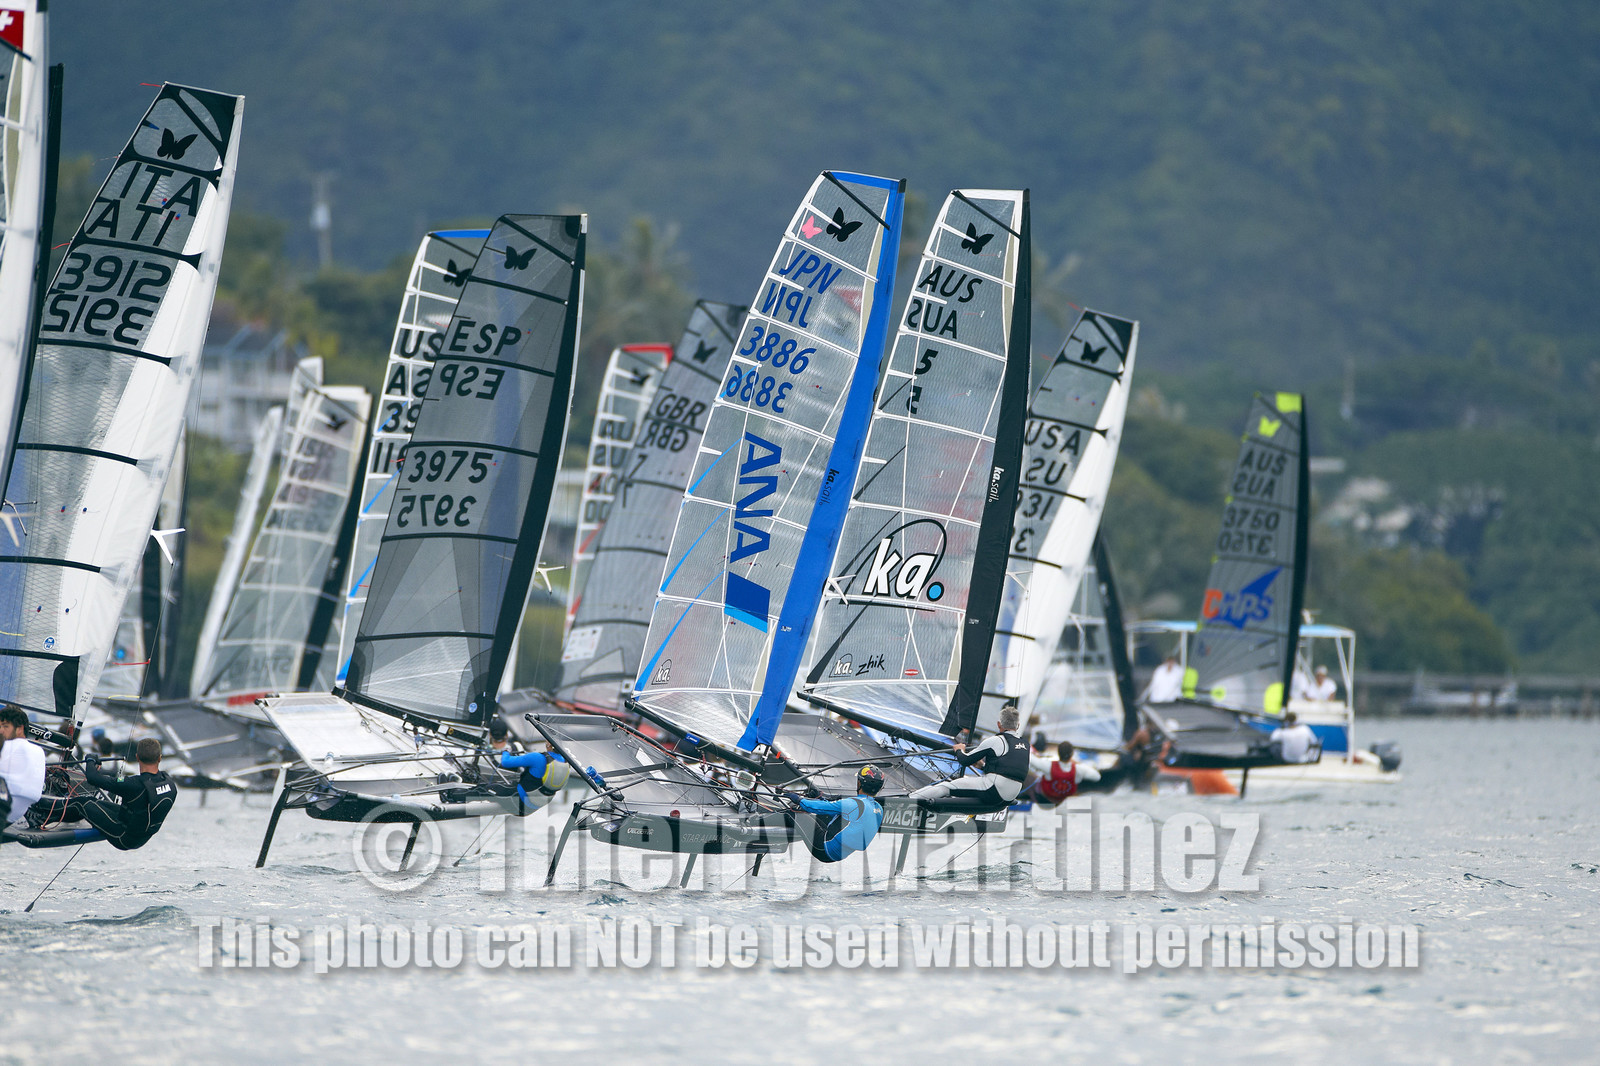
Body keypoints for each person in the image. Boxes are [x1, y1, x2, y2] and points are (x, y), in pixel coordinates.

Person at [31, 737, 176, 849]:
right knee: (92, 802)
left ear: (137, 757)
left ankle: (38, 807)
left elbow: (93, 778)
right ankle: (49, 817)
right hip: (140, 834)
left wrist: (90, 760)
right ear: (159, 758)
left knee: (82, 802)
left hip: (123, 837)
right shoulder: (169, 782)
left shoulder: (133, 785)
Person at [909, 706, 1030, 807]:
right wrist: (982, 766)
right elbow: (1010, 770)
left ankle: (909, 799)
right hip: (1010, 796)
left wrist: (959, 750)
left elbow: (965, 761)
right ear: (1018, 725)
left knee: (946, 786)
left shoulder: (994, 740)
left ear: (999, 724)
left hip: (993, 791)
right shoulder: (1025, 745)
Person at [793, 765, 885, 863]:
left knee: (793, 813)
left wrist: (798, 799)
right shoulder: (878, 808)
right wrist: (820, 799)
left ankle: (775, 815)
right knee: (815, 817)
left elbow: (815, 808)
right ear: (879, 788)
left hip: (823, 848)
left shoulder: (854, 804)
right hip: (838, 854)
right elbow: (840, 816)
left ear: (859, 783)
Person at [0, 705, 45, 825]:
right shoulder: (39, 751)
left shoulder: (11, 746)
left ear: (20, 729)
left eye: (5, 726)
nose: (1, 731)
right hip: (13, 815)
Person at [1024, 741, 1102, 805]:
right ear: (1072, 754)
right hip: (1062, 801)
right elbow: (1097, 776)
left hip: (1043, 799)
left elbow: (1030, 759)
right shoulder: (1078, 769)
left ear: (1058, 753)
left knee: (1029, 776)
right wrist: (1078, 763)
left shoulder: (1048, 766)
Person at [498, 745, 570, 811]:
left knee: (488, 788)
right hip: (535, 807)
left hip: (518, 801)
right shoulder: (565, 762)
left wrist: (506, 751)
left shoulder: (537, 757)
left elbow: (505, 762)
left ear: (549, 744)